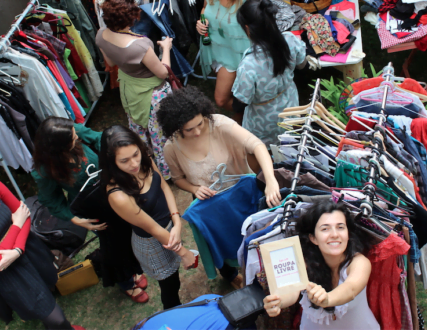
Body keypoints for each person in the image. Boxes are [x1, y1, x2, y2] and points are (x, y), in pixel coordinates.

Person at [157, 86, 281, 288]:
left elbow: (257, 145)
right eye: (189, 129)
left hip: (241, 195)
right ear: (176, 127)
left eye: (200, 123)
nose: (197, 131)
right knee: (219, 241)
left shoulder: (220, 124)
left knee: (252, 234)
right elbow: (177, 178)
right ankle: (230, 274)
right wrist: (193, 188)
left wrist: (271, 179)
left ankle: (260, 266)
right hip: (210, 204)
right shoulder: (171, 147)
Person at [31, 117, 149, 303]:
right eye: (72, 138)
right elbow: (50, 199)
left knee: (131, 233)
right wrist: (73, 218)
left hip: (116, 193)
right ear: (58, 147)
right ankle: (126, 282)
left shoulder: (72, 130)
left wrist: (114, 157)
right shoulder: (46, 170)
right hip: (94, 209)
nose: (77, 136)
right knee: (113, 247)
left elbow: (101, 138)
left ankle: (134, 269)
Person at [100, 125, 197, 310]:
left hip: (169, 230)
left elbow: (164, 187)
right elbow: (152, 228)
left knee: (174, 279)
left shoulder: (145, 160)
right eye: (125, 160)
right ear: (112, 162)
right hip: (153, 243)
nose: (134, 163)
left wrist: (176, 222)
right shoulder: (117, 194)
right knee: (170, 287)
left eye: (136, 154)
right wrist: (184, 252)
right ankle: (173, 315)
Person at [263, 201, 380, 330]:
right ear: (313, 238)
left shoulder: (359, 262)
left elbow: (350, 289)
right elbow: (291, 292)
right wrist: (278, 302)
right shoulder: (302, 260)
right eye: (325, 229)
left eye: (340, 227)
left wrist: (327, 299)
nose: (335, 234)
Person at [96, 0, 174, 179]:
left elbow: (111, 62)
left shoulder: (100, 35)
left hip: (129, 89)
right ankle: (166, 173)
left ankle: (146, 164)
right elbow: (163, 73)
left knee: (139, 131)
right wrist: (166, 48)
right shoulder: (141, 45)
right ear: (131, 19)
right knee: (160, 136)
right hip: (151, 95)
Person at [0, 180, 84, 330]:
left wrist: (18, 249)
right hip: (9, 273)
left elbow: (24, 213)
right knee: (56, 318)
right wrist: (16, 225)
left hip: (28, 249)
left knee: (48, 286)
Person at [232, 0, 307, 146]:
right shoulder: (290, 40)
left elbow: (240, 103)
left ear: (247, 29)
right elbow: (303, 66)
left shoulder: (249, 65)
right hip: (290, 107)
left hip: (263, 122)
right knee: (290, 148)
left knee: (263, 155)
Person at [196, 0, 251, 122]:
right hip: (214, 49)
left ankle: (247, 111)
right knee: (233, 89)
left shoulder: (246, 3)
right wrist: (201, 23)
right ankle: (244, 108)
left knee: (221, 100)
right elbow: (205, 10)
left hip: (234, 55)